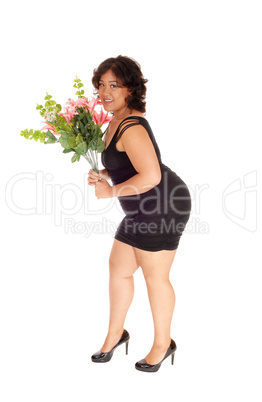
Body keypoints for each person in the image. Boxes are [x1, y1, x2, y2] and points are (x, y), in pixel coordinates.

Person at [88, 55, 191, 372]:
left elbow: (151, 176)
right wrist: (107, 172)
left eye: (114, 85)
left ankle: (163, 344)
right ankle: (115, 335)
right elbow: (127, 163)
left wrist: (111, 191)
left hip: (161, 205)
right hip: (140, 208)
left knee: (155, 277)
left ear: (130, 88)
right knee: (118, 269)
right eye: (101, 85)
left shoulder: (131, 127)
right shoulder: (115, 120)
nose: (105, 92)